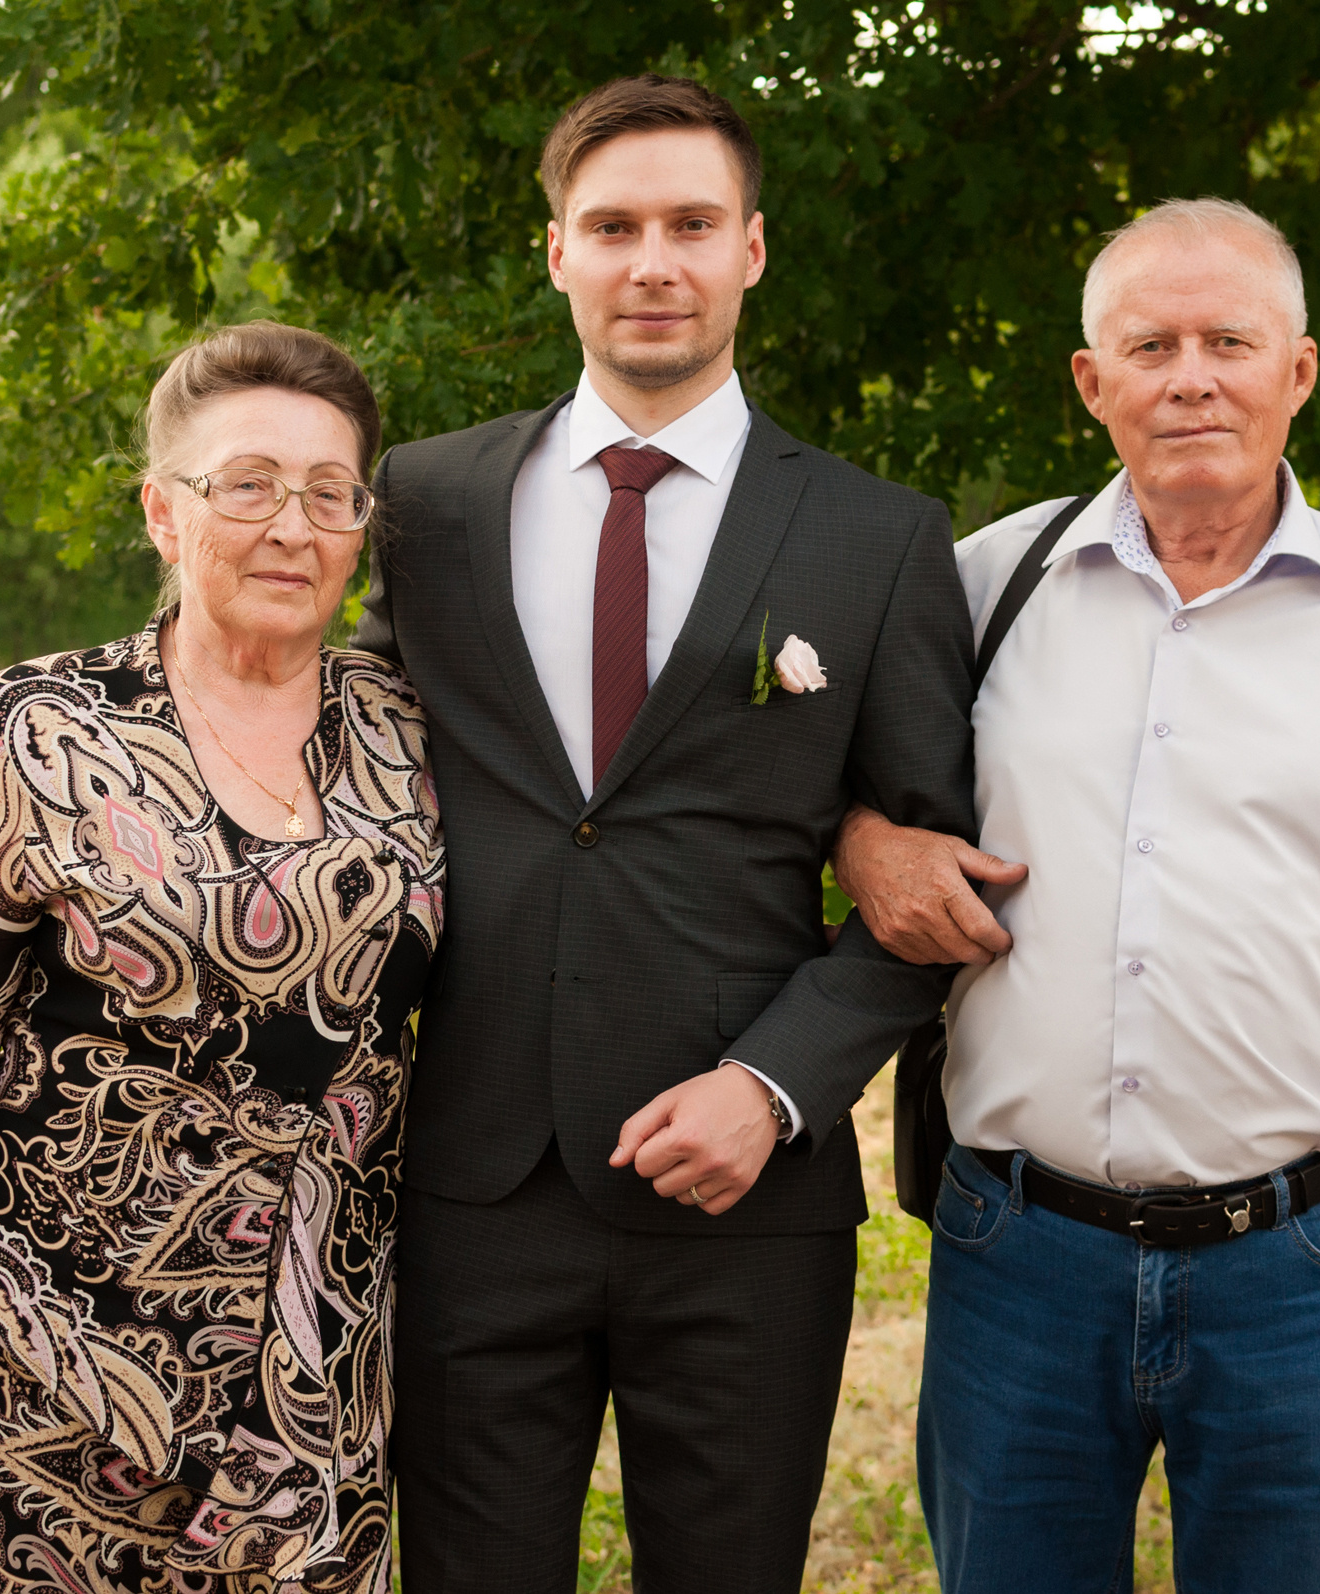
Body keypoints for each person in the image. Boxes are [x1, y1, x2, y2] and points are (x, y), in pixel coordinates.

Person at [833, 198, 1320, 1592]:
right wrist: (868, 844)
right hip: (1018, 1255)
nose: (1192, 379)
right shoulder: (981, 586)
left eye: (1230, 342)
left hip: (1310, 1266)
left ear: (1298, 370)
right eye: (1150, 345)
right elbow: (853, 799)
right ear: (1090, 380)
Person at [353, 75, 976, 1594]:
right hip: (473, 1182)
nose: (654, 263)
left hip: (749, 1204)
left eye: (692, 225)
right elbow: (348, 767)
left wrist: (777, 1085)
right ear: (555, 251)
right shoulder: (427, 502)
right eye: (613, 226)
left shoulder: (878, 536)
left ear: (751, 250)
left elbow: (933, 890)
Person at [0, 321, 444, 1593]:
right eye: (248, 486)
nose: (292, 527)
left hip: (322, 1363)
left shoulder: (410, 727)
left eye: (330, 493)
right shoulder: (37, 723)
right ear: (164, 513)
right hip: (61, 1361)